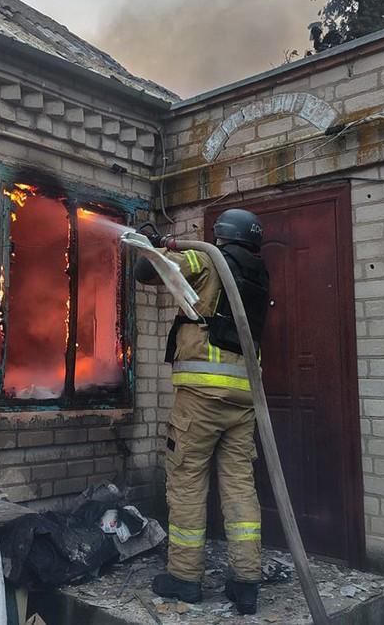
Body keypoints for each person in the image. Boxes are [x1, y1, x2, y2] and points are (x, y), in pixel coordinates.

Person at [134, 208, 270, 615]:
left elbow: (147, 272)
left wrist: (156, 247)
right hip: (244, 395)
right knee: (240, 486)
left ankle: (184, 578)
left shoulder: (206, 257)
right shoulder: (259, 273)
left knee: (187, 481)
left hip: (201, 394)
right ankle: (246, 582)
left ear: (221, 234)